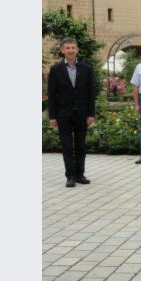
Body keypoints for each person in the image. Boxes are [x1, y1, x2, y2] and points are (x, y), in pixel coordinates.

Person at [47, 37, 97, 188]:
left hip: (82, 114)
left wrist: (91, 114)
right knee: (67, 147)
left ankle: (80, 174)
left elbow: (91, 94)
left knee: (81, 146)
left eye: (73, 48)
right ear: (62, 50)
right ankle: (70, 176)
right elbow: (51, 94)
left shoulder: (86, 69)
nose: (70, 50)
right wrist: (52, 116)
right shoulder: (56, 70)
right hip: (63, 115)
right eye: (67, 48)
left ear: (77, 50)